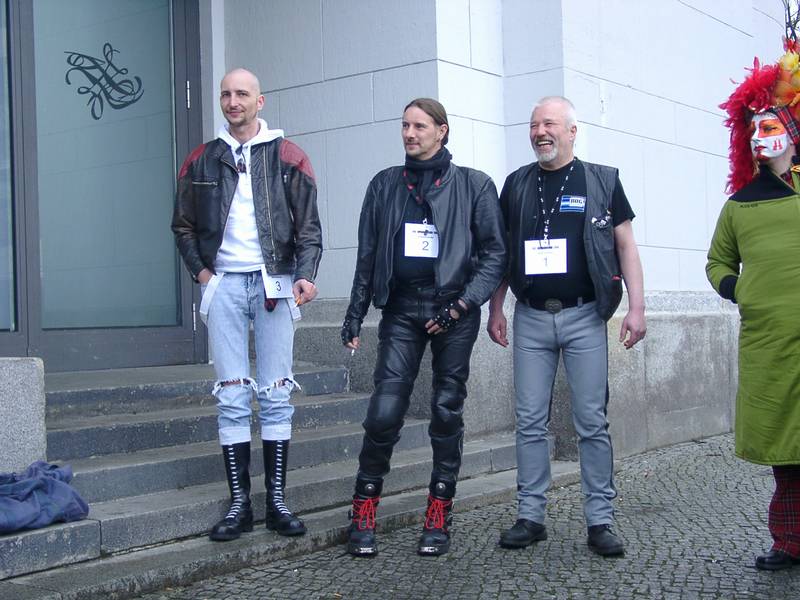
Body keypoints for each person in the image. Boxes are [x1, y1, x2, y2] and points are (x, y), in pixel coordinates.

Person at [340, 98, 507, 557]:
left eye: (419, 126)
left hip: (455, 311)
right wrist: (355, 312)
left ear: (442, 130)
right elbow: (367, 255)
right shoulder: (384, 184)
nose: (410, 134)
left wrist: (462, 306)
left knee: (446, 410)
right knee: (384, 411)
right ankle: (363, 507)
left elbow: (495, 255)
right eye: (404, 126)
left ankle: (439, 509)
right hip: (401, 309)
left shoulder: (474, 185)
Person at [488, 96, 645, 557]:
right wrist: (495, 308)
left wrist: (637, 308)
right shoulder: (517, 183)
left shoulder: (602, 180)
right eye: (534, 124)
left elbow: (626, 246)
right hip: (531, 317)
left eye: (550, 124)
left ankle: (600, 520)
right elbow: (502, 252)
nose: (540, 132)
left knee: (591, 421)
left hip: (584, 316)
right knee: (529, 421)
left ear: (572, 131)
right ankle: (530, 516)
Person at [172, 68, 322, 542]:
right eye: (226, 94)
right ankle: (240, 504)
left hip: (275, 283)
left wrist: (305, 275)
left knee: (276, 393)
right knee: (232, 395)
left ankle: (277, 501)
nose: (232, 102)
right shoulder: (202, 159)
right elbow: (182, 226)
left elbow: (309, 227)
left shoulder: (288, 155)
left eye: (242, 94)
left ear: (260, 101)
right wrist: (204, 276)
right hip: (225, 285)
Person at [707, 32, 800, 571]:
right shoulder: (739, 206)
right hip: (770, 344)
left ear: (792, 132)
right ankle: (790, 540)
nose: (760, 136)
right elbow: (717, 262)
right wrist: (742, 290)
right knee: (786, 453)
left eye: (769, 127)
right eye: (753, 129)